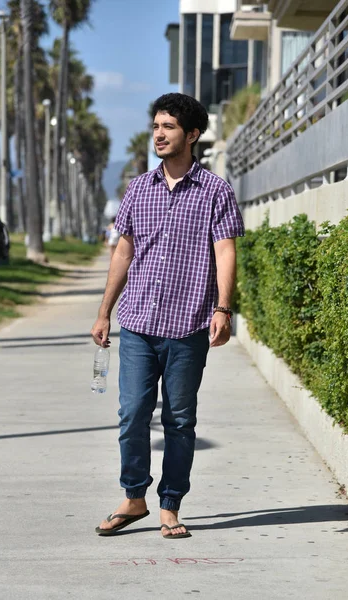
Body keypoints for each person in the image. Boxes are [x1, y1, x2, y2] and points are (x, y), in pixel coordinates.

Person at [91, 93, 244, 539]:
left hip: (189, 324)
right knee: (133, 412)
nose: (158, 134)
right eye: (156, 125)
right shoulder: (139, 187)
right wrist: (104, 312)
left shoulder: (215, 190)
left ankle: (170, 504)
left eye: (169, 127)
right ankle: (134, 496)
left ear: (192, 135)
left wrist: (223, 307)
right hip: (138, 320)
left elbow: (225, 250)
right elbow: (124, 250)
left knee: (179, 418)